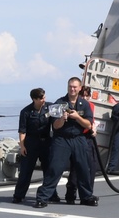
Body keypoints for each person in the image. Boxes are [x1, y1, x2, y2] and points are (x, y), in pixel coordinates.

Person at [34, 77, 98, 208]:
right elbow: (55, 126)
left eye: (75, 87)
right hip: (62, 139)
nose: (72, 89)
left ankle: (86, 196)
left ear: (80, 88)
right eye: (70, 86)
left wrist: (77, 117)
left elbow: (88, 124)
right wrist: (63, 119)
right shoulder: (59, 103)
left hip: (79, 139)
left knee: (83, 168)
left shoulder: (84, 104)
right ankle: (43, 197)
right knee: (55, 168)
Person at [12, 88, 60, 204]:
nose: (44, 100)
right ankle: (18, 195)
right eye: (41, 98)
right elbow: (22, 131)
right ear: (34, 99)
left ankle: (52, 194)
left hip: (46, 142)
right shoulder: (26, 112)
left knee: (49, 170)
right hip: (31, 143)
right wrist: (22, 146)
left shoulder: (50, 108)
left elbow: (58, 117)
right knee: (26, 171)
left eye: (44, 97)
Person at [64, 85, 100, 204]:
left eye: (87, 95)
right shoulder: (73, 106)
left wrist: (93, 128)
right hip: (79, 138)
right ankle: (71, 192)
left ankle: (87, 193)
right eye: (83, 95)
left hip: (89, 138)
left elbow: (91, 120)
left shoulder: (90, 106)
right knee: (76, 167)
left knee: (91, 166)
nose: (85, 97)